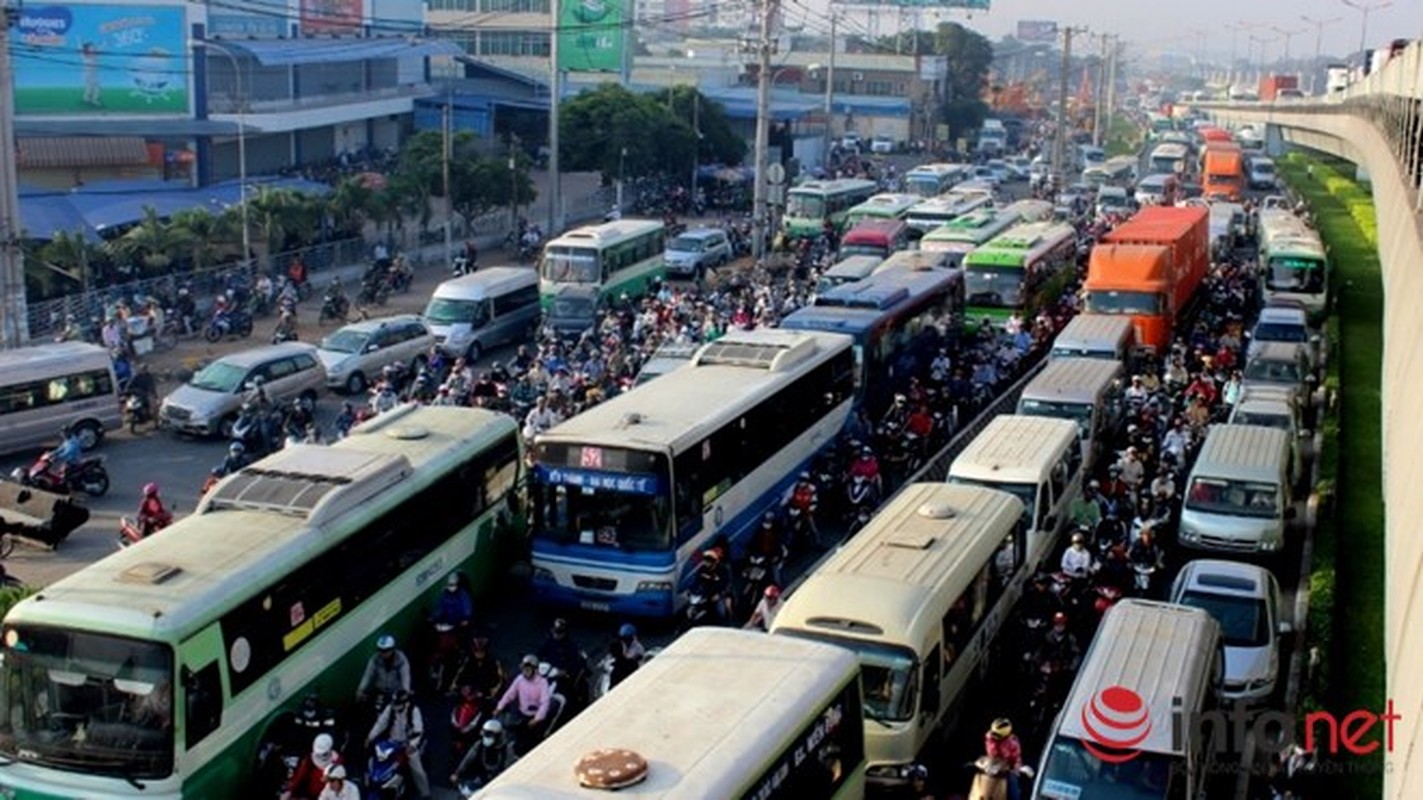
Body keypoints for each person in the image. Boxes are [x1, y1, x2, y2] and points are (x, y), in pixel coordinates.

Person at [365, 690, 429, 798]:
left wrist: (412, 745)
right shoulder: (390, 708)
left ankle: (425, 793)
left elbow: (419, 730)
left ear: (405, 703)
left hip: (407, 744)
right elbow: (381, 724)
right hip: (391, 742)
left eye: (398, 704)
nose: (396, 706)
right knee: (375, 760)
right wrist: (370, 737)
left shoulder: (413, 710)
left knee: (416, 768)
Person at [494, 655, 552, 753]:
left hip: (536, 719)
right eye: (524, 669)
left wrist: (537, 719)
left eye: (528, 669)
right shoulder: (519, 679)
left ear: (535, 670)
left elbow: (545, 703)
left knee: (536, 743)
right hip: (522, 715)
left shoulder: (542, 682)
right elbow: (510, 694)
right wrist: (499, 707)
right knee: (519, 741)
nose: (526, 672)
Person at [451, 718, 517, 789]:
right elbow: (468, 759)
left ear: (497, 736)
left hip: (499, 780)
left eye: (489, 735)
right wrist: (457, 773)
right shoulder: (479, 745)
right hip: (482, 776)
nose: (486, 738)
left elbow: (508, 767)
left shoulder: (506, 749)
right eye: (485, 734)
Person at [282, 733, 342, 800]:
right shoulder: (309, 759)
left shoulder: (338, 763)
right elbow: (300, 774)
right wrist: (290, 790)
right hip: (308, 793)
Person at [356, 635, 412, 702]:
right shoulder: (375, 659)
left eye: (386, 650)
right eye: (380, 650)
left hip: (395, 692)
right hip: (380, 691)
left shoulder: (401, 660)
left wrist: (405, 691)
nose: (383, 653)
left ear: (392, 649)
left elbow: (405, 677)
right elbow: (367, 675)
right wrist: (361, 689)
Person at [984, 718, 1025, 800]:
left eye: (997, 735)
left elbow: (1015, 758)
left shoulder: (1013, 742)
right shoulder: (990, 739)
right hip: (995, 764)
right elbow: (992, 752)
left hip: (1010, 767)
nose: (994, 736)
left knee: (1012, 785)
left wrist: (1012, 766)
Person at [608, 623, 645, 689]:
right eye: (623, 639)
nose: (624, 641)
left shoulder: (638, 648)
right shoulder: (622, 644)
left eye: (627, 639)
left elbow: (634, 662)